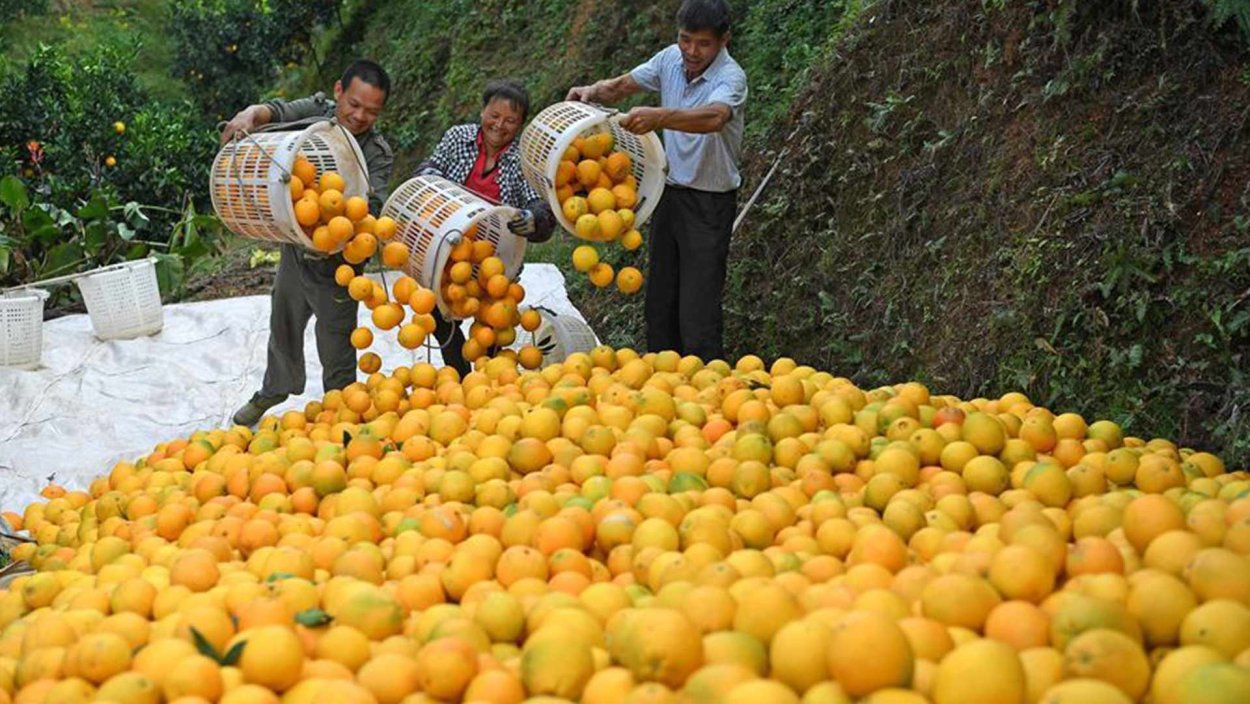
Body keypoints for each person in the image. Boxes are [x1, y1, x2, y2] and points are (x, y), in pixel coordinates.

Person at [566, 0, 746, 362]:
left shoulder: (731, 78)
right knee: (660, 301)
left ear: (724, 40)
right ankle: (663, 383)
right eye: (685, 40)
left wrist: (660, 117)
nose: (692, 51)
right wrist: (591, 91)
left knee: (698, 307)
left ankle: (709, 387)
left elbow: (714, 118)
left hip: (709, 204)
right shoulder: (669, 60)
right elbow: (622, 86)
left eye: (703, 44)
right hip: (669, 195)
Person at [222, 60, 395, 426]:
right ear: (338, 92)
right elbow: (277, 111)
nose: (360, 116)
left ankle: (342, 408)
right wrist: (249, 114)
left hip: (340, 263)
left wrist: (339, 226)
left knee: (336, 340)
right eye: (354, 104)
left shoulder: (376, 153)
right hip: (295, 247)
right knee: (283, 321)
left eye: (371, 111)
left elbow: (372, 206)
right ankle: (274, 390)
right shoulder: (319, 113)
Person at [413, 79, 556, 376]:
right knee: (440, 315)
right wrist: (427, 179)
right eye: (494, 116)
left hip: (496, 259)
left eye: (510, 120)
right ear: (482, 112)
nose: (499, 125)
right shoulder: (457, 138)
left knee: (491, 329)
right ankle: (461, 377)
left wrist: (532, 220)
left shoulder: (522, 158)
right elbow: (431, 168)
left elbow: (539, 206)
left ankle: (487, 385)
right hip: (451, 248)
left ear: (519, 126)